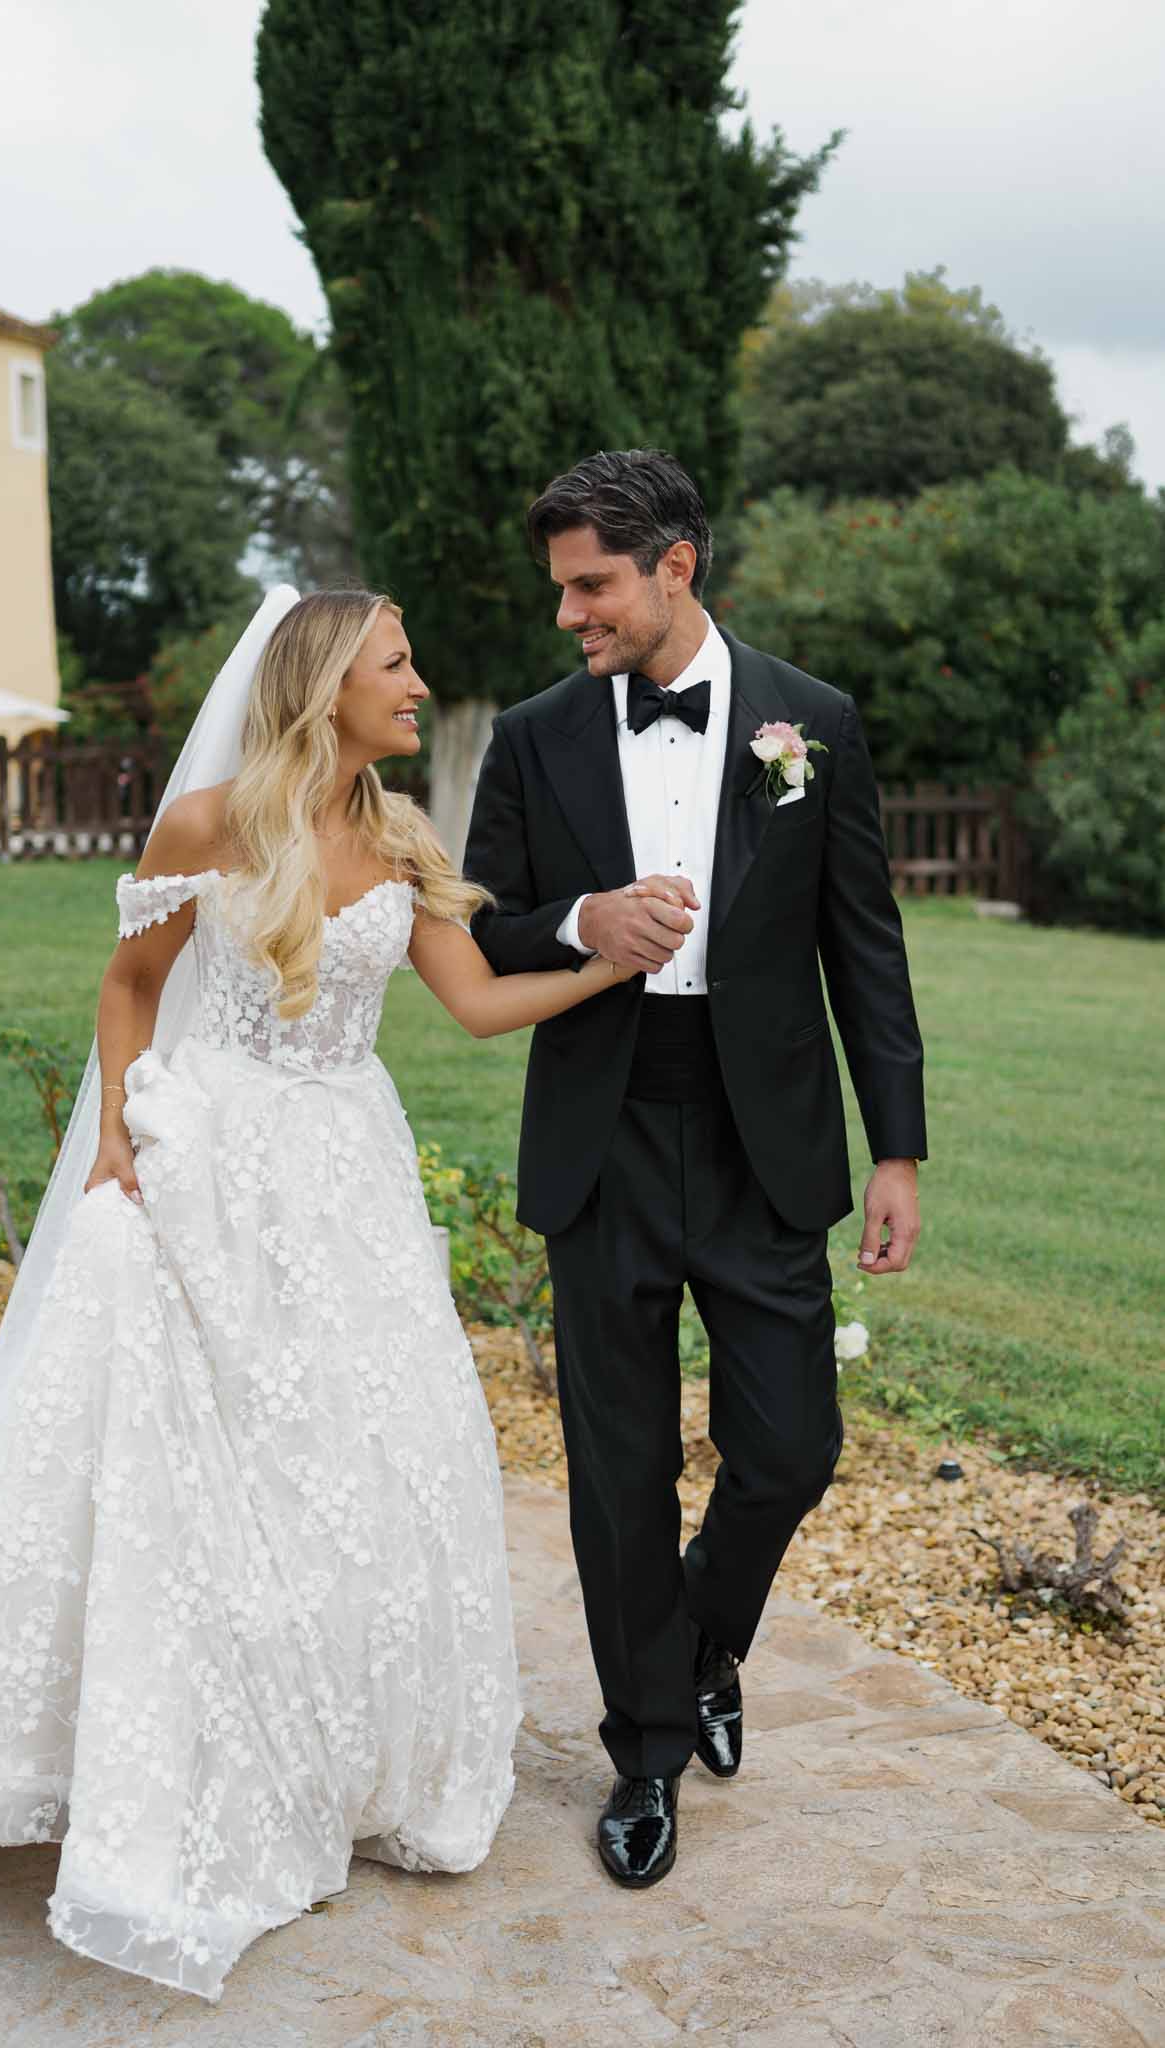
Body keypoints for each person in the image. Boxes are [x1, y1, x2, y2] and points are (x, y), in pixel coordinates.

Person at [0, 587, 637, 2001]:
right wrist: (118, 1140)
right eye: (395, 663)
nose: (418, 684)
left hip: (349, 1181)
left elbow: (479, 1005)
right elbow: (130, 988)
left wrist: (607, 961)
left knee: (362, 1459)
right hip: (216, 1158)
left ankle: (343, 1748)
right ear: (323, 685)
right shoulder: (207, 827)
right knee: (208, 1461)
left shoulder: (396, 834)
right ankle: (192, 1746)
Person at [463, 450, 926, 1888]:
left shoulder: (814, 724)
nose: (568, 616)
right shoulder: (535, 736)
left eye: (590, 585)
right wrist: (584, 918)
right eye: (560, 589)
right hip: (599, 1132)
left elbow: (864, 946)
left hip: (761, 1139)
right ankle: (647, 1748)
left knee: (790, 1444)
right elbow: (482, 931)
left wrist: (896, 1144)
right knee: (619, 1469)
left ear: (674, 565)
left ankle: (700, 1645)